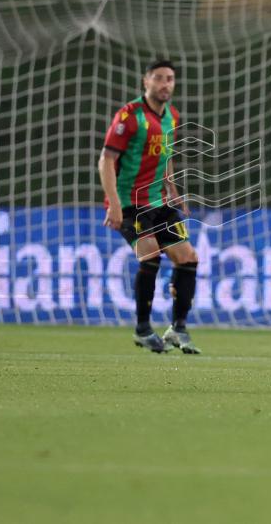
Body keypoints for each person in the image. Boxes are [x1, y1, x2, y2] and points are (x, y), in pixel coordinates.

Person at [99, 60, 200, 354]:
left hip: (159, 200)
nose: (165, 84)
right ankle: (143, 329)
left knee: (188, 257)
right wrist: (114, 204)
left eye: (169, 79)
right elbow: (105, 160)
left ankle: (177, 329)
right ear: (146, 81)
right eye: (158, 78)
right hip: (130, 201)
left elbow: (165, 154)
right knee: (150, 254)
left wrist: (173, 188)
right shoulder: (129, 116)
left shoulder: (172, 116)